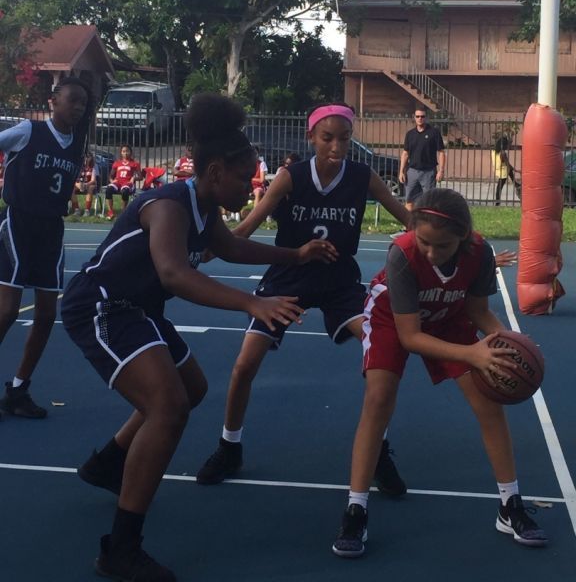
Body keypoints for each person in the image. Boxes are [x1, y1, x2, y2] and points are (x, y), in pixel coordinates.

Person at [61, 93, 335, 582]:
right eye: (243, 177)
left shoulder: (204, 208)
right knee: (169, 408)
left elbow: (228, 246)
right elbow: (173, 274)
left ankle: (108, 465)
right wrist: (253, 302)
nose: (252, 186)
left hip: (138, 308)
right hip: (102, 306)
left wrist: (295, 256)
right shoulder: (168, 205)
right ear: (212, 172)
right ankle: (120, 550)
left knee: (191, 389)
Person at [196, 103, 411, 490]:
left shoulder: (362, 177)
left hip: (339, 281)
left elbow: (410, 221)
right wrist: (203, 250)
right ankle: (229, 446)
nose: (336, 146)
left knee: (382, 353)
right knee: (245, 364)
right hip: (288, 275)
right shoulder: (290, 177)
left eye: (344, 138)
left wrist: (461, 244)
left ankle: (378, 449)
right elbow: (247, 225)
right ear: (311, 137)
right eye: (327, 138)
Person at [332, 188, 548, 558]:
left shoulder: (480, 253)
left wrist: (505, 342)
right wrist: (473, 353)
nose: (432, 252)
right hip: (393, 318)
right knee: (379, 398)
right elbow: (410, 336)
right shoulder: (401, 253)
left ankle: (509, 504)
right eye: (425, 242)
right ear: (414, 230)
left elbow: (478, 311)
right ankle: (356, 509)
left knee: (487, 400)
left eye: (443, 246)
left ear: (463, 237)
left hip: (449, 316)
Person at [0, 77, 92, 418]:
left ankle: (19, 389)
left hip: (51, 230)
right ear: (53, 101)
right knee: (7, 311)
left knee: (46, 314)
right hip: (19, 223)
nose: (78, 108)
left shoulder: (76, 144)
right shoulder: (28, 131)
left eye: (83, 104)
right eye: (73, 101)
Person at [399, 108, 445, 210]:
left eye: (422, 116)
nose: (420, 119)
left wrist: (441, 171)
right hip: (412, 172)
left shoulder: (434, 133)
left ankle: (426, 224)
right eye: (418, 116)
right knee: (409, 200)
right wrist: (401, 171)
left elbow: (441, 152)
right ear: (414, 118)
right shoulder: (410, 134)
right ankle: (409, 224)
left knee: (429, 202)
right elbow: (405, 153)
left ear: (426, 118)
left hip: (428, 172)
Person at [105, 144, 143, 220]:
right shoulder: (117, 163)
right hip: (118, 182)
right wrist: (112, 181)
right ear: (121, 153)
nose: (125, 153)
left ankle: (123, 212)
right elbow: (110, 175)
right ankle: (110, 211)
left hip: (128, 182)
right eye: (123, 151)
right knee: (109, 189)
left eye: (127, 151)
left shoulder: (135, 164)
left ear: (130, 152)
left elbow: (141, 177)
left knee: (125, 191)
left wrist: (134, 178)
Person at [492, 135, 521, 205]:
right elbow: (508, 164)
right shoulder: (503, 153)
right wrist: (516, 170)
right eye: (506, 144)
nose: (507, 146)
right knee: (499, 187)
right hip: (503, 171)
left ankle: (516, 184)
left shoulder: (494, 151)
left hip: (499, 169)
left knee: (510, 173)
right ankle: (497, 202)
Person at [70, 151, 99, 216]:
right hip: (81, 184)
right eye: (84, 157)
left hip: (90, 184)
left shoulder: (93, 167)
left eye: (88, 157)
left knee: (90, 188)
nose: (86, 159)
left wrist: (86, 184)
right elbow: (76, 178)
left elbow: (93, 180)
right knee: (71, 188)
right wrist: (79, 184)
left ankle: (87, 210)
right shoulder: (80, 167)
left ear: (91, 158)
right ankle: (77, 210)